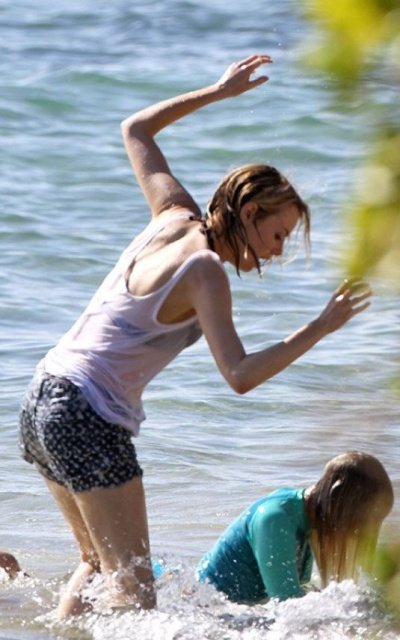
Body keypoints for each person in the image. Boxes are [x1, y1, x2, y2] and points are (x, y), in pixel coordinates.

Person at [19, 54, 372, 617]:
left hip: (42, 397)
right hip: (87, 413)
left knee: (98, 566)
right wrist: (321, 327)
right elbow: (240, 376)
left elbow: (135, 130)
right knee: (136, 596)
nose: (278, 252)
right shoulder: (206, 271)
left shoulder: (172, 214)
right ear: (249, 212)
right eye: (278, 234)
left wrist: (217, 91)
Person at [196, 452, 393, 603]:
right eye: (359, 524)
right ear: (337, 501)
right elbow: (287, 603)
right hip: (206, 609)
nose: (358, 534)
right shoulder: (275, 519)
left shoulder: (306, 515)